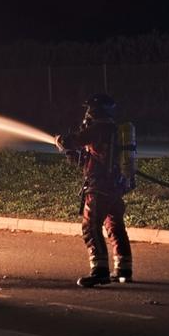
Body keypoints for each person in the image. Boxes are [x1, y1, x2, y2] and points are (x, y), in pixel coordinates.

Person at [55, 93, 133, 287]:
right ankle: (124, 270)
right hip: (115, 188)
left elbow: (72, 140)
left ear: (96, 110)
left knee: (90, 227)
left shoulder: (97, 129)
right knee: (115, 226)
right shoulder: (113, 130)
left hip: (99, 187)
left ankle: (99, 271)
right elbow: (89, 157)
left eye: (90, 109)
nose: (87, 113)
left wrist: (60, 141)